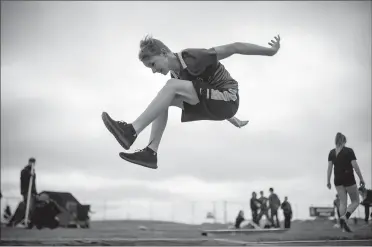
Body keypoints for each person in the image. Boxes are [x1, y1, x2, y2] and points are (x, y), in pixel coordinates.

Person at [102, 34, 281, 169]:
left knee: (170, 87)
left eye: (153, 65)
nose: (154, 71)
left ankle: (131, 131)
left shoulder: (193, 57)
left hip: (228, 98)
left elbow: (235, 47)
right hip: (217, 105)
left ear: (164, 53)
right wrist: (233, 120)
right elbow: (206, 94)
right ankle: (151, 152)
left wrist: (270, 52)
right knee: (164, 98)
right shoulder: (177, 76)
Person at [327, 132, 365, 233]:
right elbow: (355, 166)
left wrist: (328, 181)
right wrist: (361, 178)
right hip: (348, 178)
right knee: (355, 201)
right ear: (344, 141)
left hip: (337, 180)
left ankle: (343, 226)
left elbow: (329, 168)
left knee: (343, 202)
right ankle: (346, 217)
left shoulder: (331, 152)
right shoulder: (349, 151)